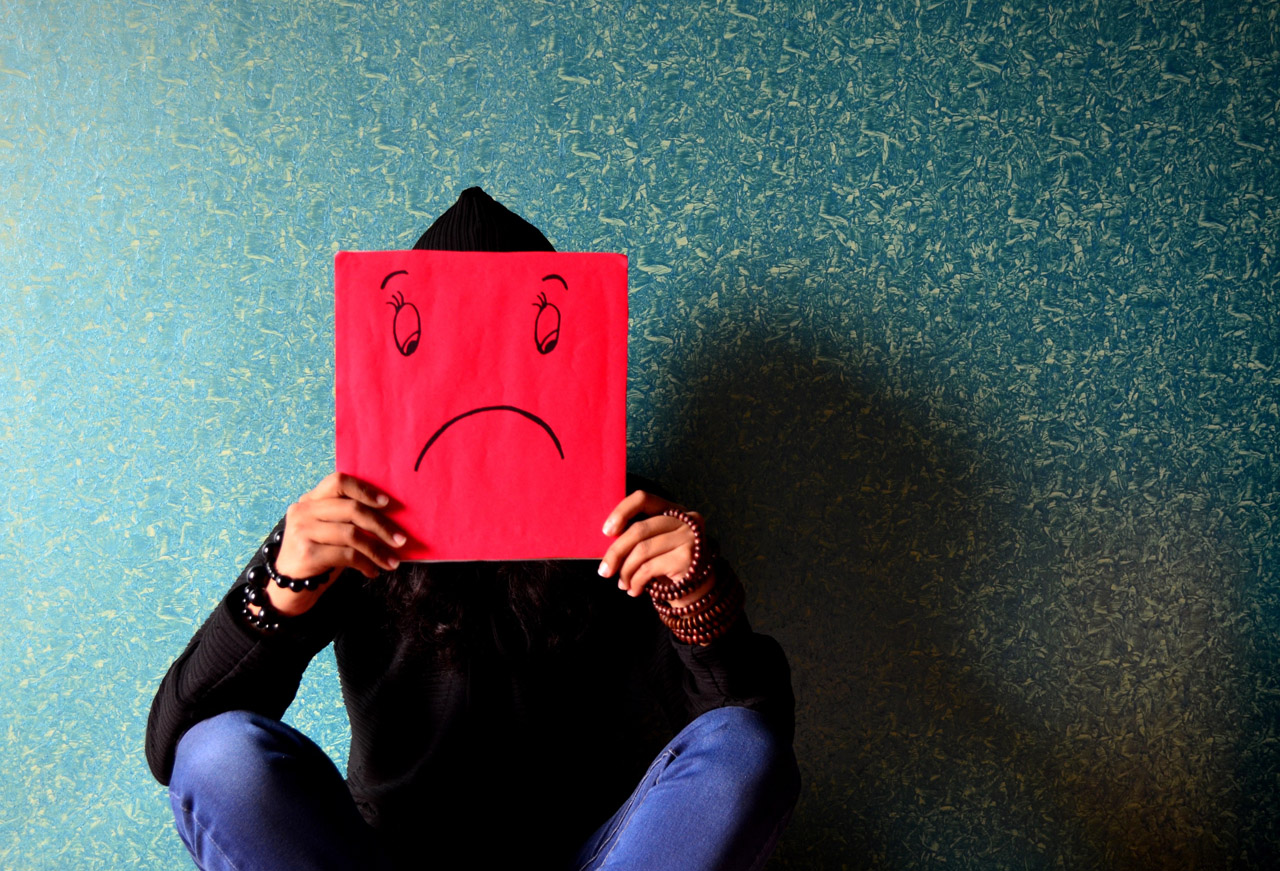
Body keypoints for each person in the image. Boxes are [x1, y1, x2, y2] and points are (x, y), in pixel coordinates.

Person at [145, 187, 799, 870]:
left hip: (588, 856)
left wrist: (701, 599)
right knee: (218, 755)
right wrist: (283, 579)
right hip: (386, 860)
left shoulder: (627, 519)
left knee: (744, 747)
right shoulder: (355, 522)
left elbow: (753, 752)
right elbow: (178, 750)